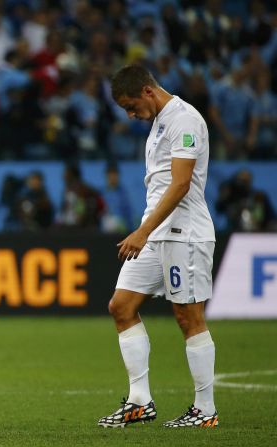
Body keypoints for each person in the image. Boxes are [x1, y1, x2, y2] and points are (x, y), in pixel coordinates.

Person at [99, 65, 218, 428]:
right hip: (156, 231)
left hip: (184, 232)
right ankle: (140, 401)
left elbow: (181, 184)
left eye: (131, 106)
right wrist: (148, 230)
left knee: (188, 317)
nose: (131, 115)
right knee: (121, 306)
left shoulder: (184, 120)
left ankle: (205, 410)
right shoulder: (159, 125)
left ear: (148, 92)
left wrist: (142, 230)